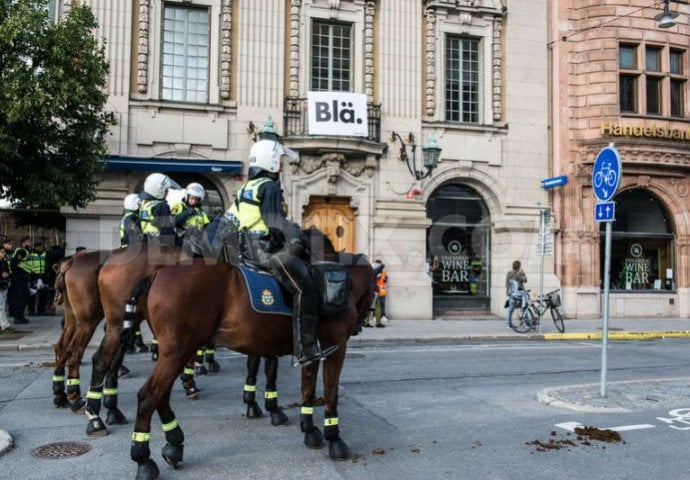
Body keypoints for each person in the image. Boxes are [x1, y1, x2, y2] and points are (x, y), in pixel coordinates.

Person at [226, 138, 336, 366]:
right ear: (273, 162)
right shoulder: (270, 187)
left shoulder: (246, 187)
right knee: (305, 285)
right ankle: (306, 349)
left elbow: (233, 220)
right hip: (266, 250)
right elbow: (273, 221)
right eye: (281, 161)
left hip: (247, 249)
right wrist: (297, 235)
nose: (283, 166)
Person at [139, 173, 178, 245]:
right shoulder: (162, 206)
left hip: (145, 242)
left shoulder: (144, 205)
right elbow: (167, 232)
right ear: (159, 190)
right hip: (160, 244)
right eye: (166, 190)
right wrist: (181, 242)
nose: (168, 193)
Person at [171, 182, 210, 252]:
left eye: (196, 199)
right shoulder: (179, 206)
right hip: (181, 242)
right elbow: (172, 221)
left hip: (196, 244)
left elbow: (208, 227)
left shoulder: (201, 212)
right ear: (187, 196)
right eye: (191, 198)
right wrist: (187, 213)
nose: (193, 201)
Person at [9, 236, 32, 324]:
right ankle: (18, 317)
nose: (29, 243)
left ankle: (19, 316)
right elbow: (13, 262)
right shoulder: (21, 251)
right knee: (23, 297)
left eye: (30, 241)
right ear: (23, 243)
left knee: (21, 297)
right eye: (28, 242)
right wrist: (19, 274)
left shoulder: (25, 251)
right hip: (20, 278)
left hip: (21, 277)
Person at [505, 260, 528, 328]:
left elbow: (525, 280)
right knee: (523, 308)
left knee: (513, 309)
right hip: (517, 294)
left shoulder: (517, 273)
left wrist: (507, 292)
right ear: (519, 266)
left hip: (514, 294)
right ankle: (527, 324)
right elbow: (507, 283)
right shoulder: (511, 273)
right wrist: (518, 275)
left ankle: (509, 324)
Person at [28, 240, 48, 315]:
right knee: (32, 294)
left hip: (43, 276)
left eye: (41, 246)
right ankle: (31, 310)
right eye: (38, 247)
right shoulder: (31, 254)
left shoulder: (45, 254)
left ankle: (41, 310)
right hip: (33, 276)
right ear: (35, 247)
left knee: (43, 295)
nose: (40, 248)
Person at [0, 244, 13, 332]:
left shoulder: (4, 262)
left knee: (2, 305)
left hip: (4, 285)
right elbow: (3, 274)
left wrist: (6, 275)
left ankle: (3, 324)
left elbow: (8, 272)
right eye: (2, 252)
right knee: (1, 306)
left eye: (4, 252)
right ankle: (4, 324)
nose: (4, 254)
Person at [373, 259, 388, 327]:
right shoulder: (374, 272)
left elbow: (385, 279)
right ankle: (374, 316)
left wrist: (385, 279)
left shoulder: (384, 272)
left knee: (382, 304)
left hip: (382, 291)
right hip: (375, 291)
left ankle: (383, 316)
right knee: (374, 305)